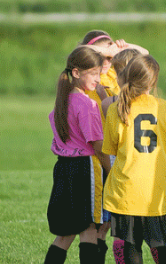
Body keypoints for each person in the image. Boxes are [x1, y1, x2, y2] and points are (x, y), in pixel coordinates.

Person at [102, 54, 166, 264]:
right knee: (163, 247)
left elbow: (110, 148)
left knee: (130, 247)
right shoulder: (162, 107)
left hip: (124, 191)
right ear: (152, 82)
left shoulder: (115, 108)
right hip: (154, 191)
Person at [81, 30, 149, 263]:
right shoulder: (88, 77)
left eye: (111, 56)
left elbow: (145, 57)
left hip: (120, 154)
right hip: (99, 155)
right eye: (103, 55)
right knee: (98, 222)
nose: (107, 61)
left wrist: (124, 46)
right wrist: (103, 52)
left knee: (111, 222)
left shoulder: (115, 75)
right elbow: (79, 55)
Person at [43, 46, 111, 264]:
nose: (98, 79)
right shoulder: (87, 104)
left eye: (99, 73)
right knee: (89, 228)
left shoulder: (61, 103)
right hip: (86, 169)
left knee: (66, 233)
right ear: (76, 73)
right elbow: (98, 145)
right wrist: (112, 171)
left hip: (64, 168)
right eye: (93, 73)